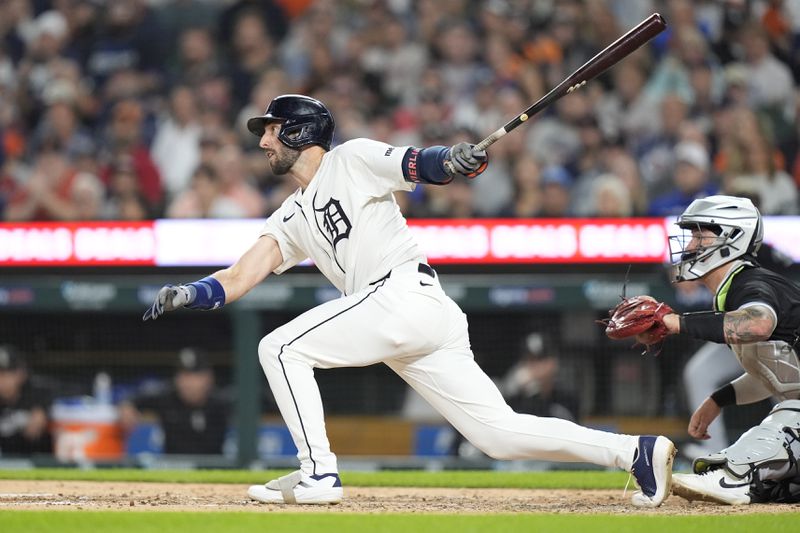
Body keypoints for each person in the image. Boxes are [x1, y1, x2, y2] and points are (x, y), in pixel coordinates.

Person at [142, 94, 675, 507]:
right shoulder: (290, 212)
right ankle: (633, 451)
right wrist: (193, 291)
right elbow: (240, 276)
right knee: (497, 435)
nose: (264, 142)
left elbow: (421, 164)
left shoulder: (350, 159)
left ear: (301, 132)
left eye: (272, 131)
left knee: (280, 349)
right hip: (403, 314)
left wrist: (456, 159)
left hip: (403, 293)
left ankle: (318, 471)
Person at [631, 195, 800, 505]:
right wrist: (717, 400)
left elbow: (759, 323)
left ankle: (733, 475)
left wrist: (674, 322)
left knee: (789, 418)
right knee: (780, 488)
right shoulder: (736, 289)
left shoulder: (750, 283)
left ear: (733, 238)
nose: (691, 243)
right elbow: (780, 375)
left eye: (700, 234)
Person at [119, 347, 230, 455]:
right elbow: (132, 398)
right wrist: (127, 406)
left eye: (194, 376)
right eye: (183, 375)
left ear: (208, 378)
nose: (188, 383)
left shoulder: (221, 401)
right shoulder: (166, 398)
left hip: (214, 468)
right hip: (174, 468)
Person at [0, 345, 53, 456]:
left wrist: (43, 411)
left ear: (20, 374)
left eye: (5, 373)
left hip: (34, 463)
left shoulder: (37, 394)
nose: (1, 379)